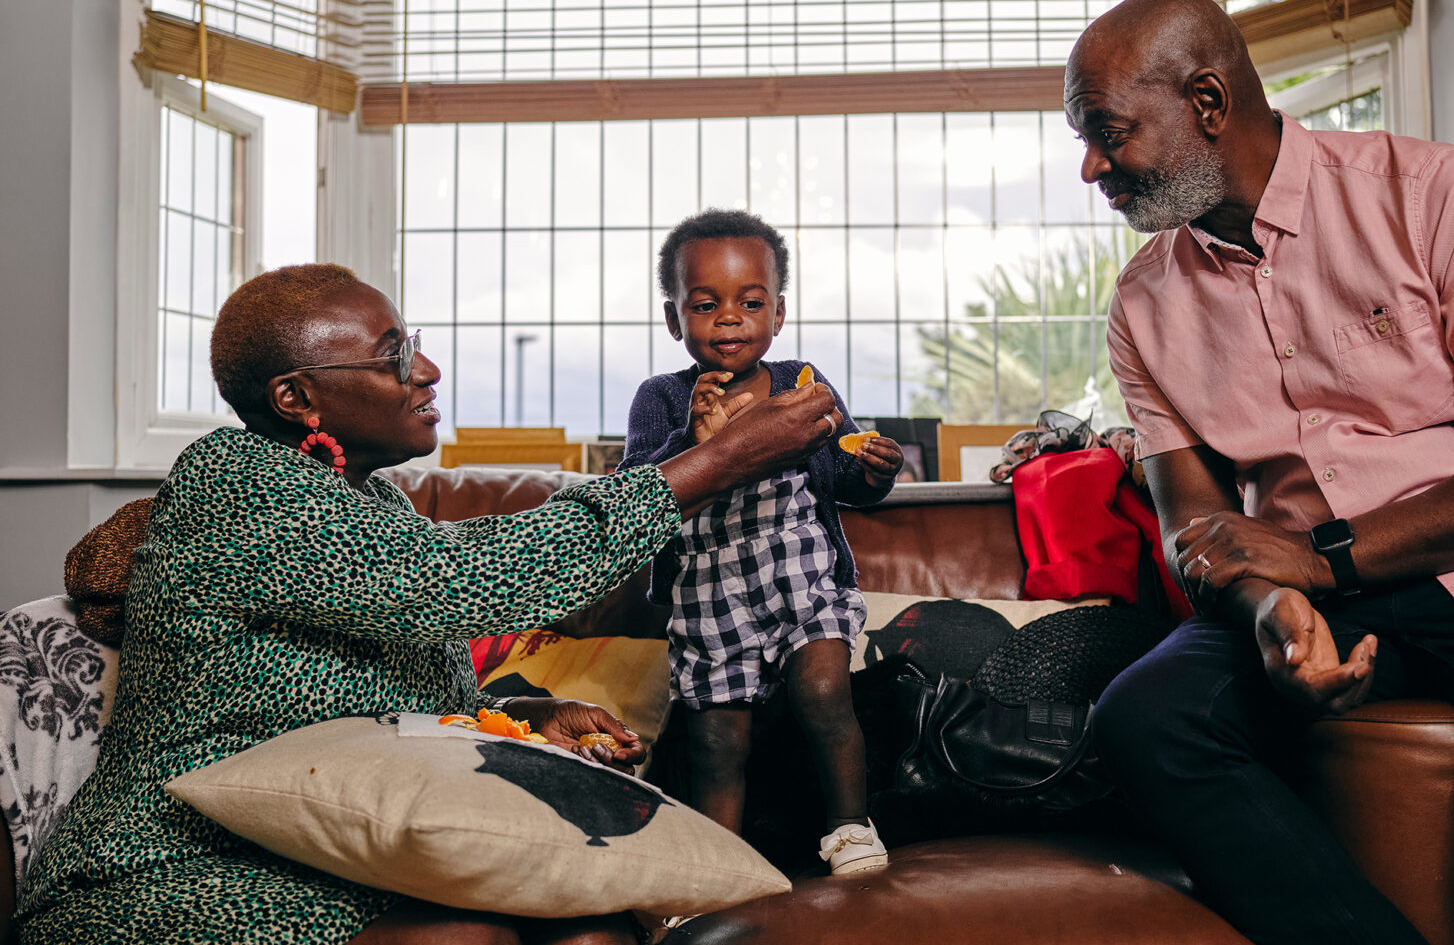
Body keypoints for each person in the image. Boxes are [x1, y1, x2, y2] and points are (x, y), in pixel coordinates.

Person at [16, 263, 844, 945]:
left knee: (589, 927)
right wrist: (722, 460)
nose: (427, 369)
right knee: (465, 940)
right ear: (295, 400)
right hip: (178, 866)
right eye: (392, 354)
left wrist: (520, 714)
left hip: (337, 843)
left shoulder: (376, 507)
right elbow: (461, 582)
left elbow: (383, 695)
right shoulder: (233, 482)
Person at [1067, 0, 1454, 945]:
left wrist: (1321, 560)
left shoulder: (1435, 194)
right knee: (1145, 722)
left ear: (1206, 102)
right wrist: (1271, 611)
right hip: (1303, 590)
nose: (1091, 167)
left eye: (1109, 133)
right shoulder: (1142, 305)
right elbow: (1194, 528)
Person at [619, 209, 904, 875]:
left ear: (777, 315)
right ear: (674, 320)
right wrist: (690, 440)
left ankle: (850, 828)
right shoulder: (661, 398)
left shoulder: (803, 383)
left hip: (800, 572)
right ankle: (723, 866)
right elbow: (635, 490)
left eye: (750, 303)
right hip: (711, 587)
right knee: (717, 740)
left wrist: (872, 470)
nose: (728, 318)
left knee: (826, 688)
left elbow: (841, 474)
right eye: (705, 304)